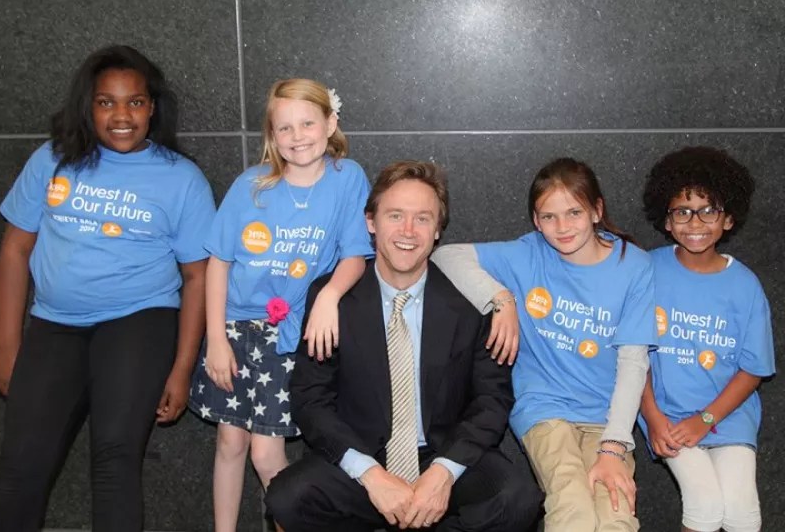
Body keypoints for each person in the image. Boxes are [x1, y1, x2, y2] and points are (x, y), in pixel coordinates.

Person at [0, 45, 216, 532]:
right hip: (54, 325)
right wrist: (7, 347)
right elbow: (14, 252)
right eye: (106, 102)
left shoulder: (181, 178)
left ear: (152, 108)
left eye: (135, 102)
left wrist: (182, 369)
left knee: (115, 460)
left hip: (139, 321)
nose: (121, 116)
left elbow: (198, 276)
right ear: (87, 106)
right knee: (20, 465)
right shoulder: (51, 160)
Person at [266, 160, 543, 532]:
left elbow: (492, 399)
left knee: (517, 498)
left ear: (438, 230)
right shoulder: (332, 298)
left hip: (442, 456)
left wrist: (444, 472)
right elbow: (310, 398)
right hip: (365, 460)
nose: (408, 231)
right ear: (371, 222)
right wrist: (370, 474)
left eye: (422, 218)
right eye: (395, 215)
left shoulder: (470, 300)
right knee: (288, 498)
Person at [432, 158, 657, 531]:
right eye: (549, 217)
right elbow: (444, 255)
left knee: (616, 515)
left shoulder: (633, 266)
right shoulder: (528, 253)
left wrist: (614, 447)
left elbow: (634, 362)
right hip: (544, 409)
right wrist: (501, 298)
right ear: (536, 221)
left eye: (574, 213)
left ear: (597, 210)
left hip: (607, 417)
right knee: (572, 508)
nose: (562, 227)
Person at [187, 78, 373, 532]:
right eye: (284, 127)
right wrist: (215, 339)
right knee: (230, 442)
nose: (297, 136)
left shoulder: (347, 177)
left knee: (266, 453)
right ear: (272, 133)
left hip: (292, 335)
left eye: (308, 123)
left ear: (330, 123)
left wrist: (328, 296)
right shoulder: (251, 185)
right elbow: (219, 262)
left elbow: (355, 256)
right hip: (235, 328)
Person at [638, 146, 775, 532]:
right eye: (682, 211)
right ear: (667, 220)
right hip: (667, 416)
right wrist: (652, 417)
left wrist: (707, 419)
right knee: (705, 505)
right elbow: (633, 355)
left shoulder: (745, 286)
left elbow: (753, 369)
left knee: (743, 517)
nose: (694, 222)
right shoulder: (647, 270)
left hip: (727, 415)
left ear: (728, 218)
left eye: (708, 210)